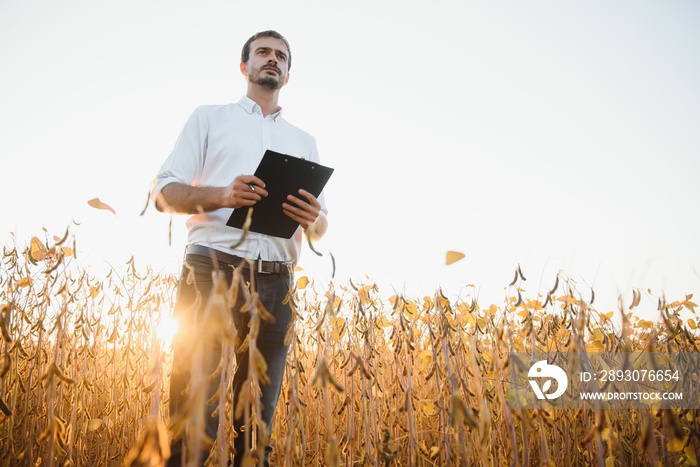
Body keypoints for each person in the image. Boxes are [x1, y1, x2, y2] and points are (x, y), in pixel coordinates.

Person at [153, 30, 328, 466]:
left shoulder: (304, 141)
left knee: (256, 431)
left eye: (281, 56)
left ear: (288, 74)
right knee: (194, 418)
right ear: (244, 66)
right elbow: (163, 194)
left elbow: (322, 228)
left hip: (276, 282)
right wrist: (221, 196)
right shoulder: (209, 118)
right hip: (211, 269)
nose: (273, 59)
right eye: (263, 53)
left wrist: (314, 218)